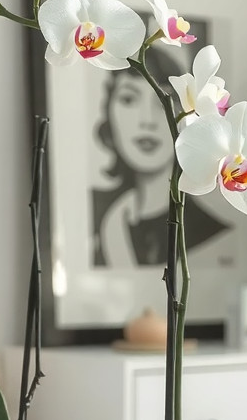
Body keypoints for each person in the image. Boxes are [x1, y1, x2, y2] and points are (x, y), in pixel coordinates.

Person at [91, 44, 229, 267]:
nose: (147, 120)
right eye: (128, 99)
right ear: (108, 111)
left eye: (164, 101)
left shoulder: (214, 236)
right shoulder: (104, 224)